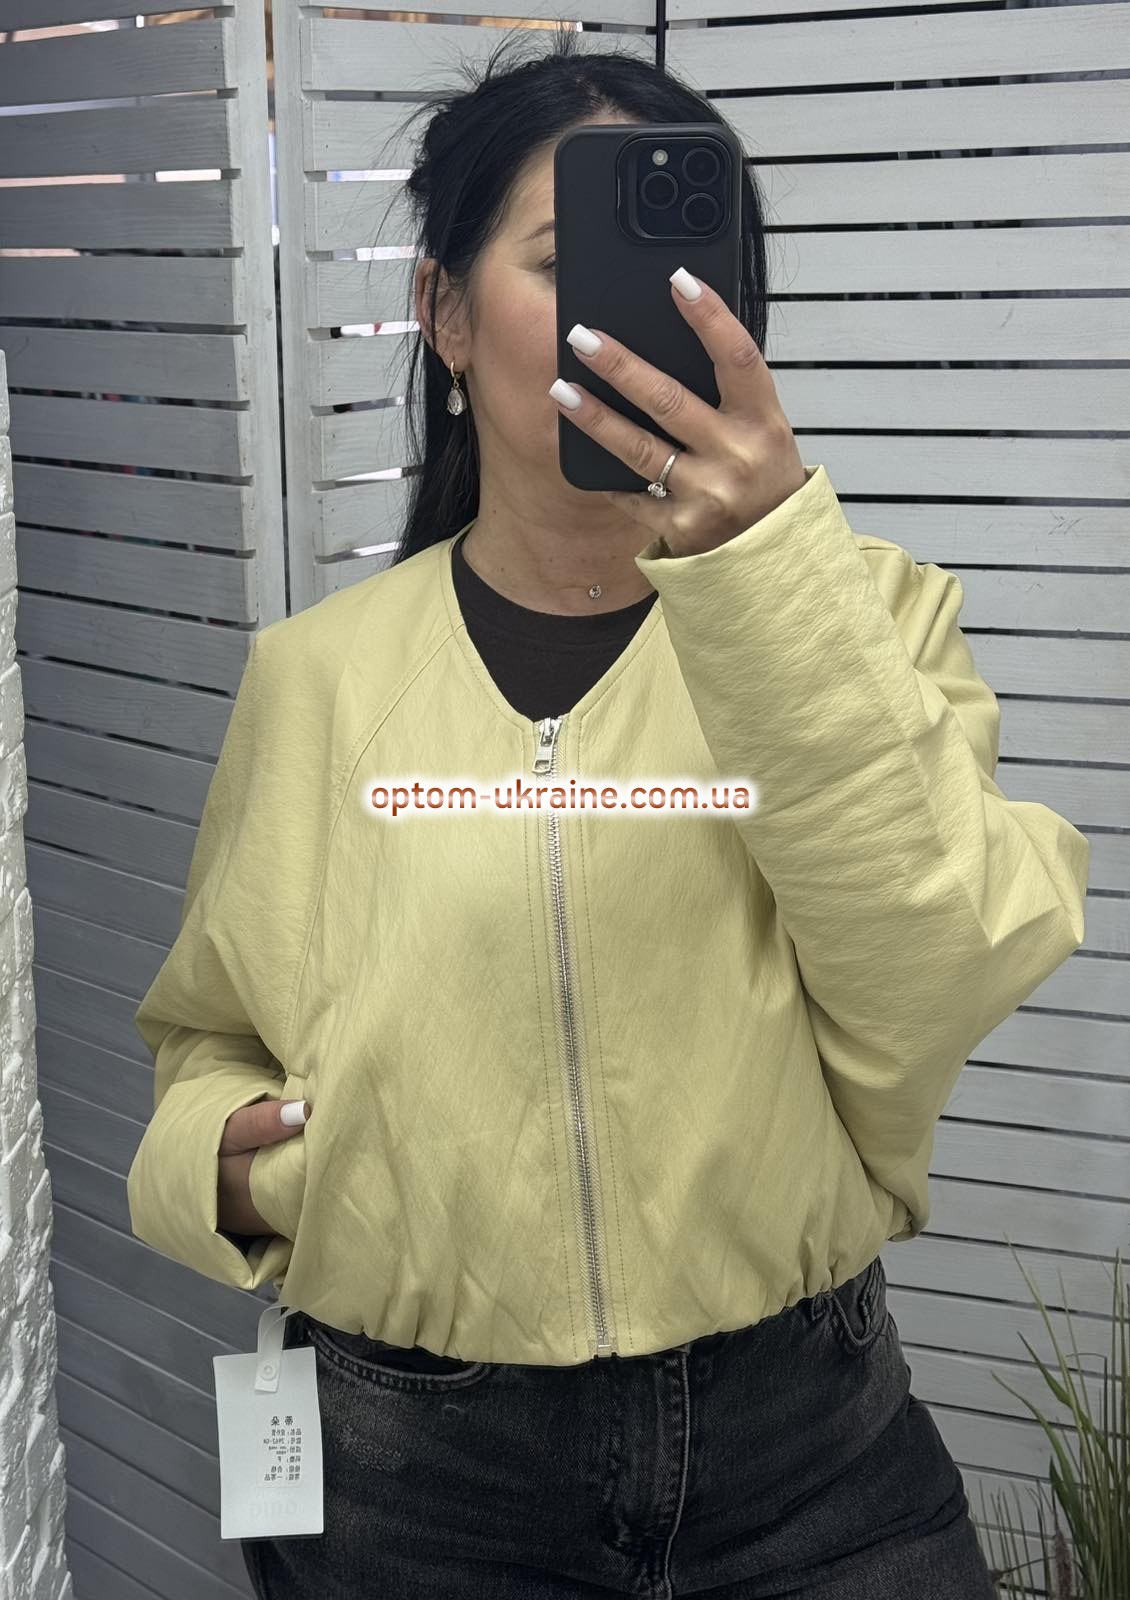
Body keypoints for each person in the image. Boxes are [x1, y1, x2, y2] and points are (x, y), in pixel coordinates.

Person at [125, 29, 1087, 1599]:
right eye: (556, 259)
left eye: (681, 271)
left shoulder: (867, 623)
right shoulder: (319, 678)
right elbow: (212, 1030)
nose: (622, 311)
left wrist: (770, 581)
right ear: (443, 312)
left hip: (806, 1455)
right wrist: (228, 1167)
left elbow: (942, 961)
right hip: (411, 1474)